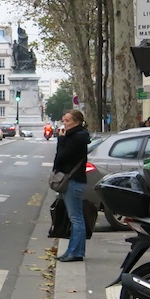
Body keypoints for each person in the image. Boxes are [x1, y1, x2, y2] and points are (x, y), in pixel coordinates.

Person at [53, 108, 91, 263]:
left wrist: (61, 140)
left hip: (72, 181)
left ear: (76, 122)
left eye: (67, 121)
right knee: (75, 218)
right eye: (64, 120)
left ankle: (76, 252)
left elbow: (61, 157)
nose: (64, 123)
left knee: (76, 218)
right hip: (73, 180)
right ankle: (72, 250)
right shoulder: (77, 136)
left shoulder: (75, 138)